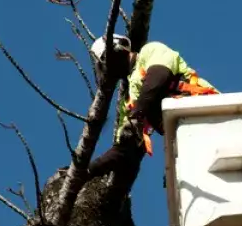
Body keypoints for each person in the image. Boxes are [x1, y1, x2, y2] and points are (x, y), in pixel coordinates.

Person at [86, 35, 219, 177]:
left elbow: (159, 75)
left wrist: (136, 115)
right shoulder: (130, 100)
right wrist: (88, 170)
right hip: (188, 135)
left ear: (117, 51)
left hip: (209, 110)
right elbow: (123, 149)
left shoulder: (150, 50)